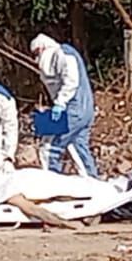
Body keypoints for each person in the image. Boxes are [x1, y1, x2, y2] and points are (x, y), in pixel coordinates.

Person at [30, 33, 99, 178]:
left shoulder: (63, 54)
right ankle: (93, 183)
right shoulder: (58, 57)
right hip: (83, 111)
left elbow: (71, 81)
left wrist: (60, 104)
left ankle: (52, 186)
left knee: (48, 147)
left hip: (72, 109)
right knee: (76, 146)